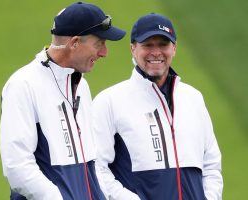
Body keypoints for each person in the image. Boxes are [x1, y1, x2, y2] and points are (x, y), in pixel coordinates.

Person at [0, 2, 125, 200]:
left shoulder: (81, 84)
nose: (104, 53)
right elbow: (17, 167)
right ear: (75, 43)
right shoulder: (23, 85)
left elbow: (90, 163)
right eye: (99, 43)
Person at [92, 13, 223, 200]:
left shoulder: (193, 98)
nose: (156, 52)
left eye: (163, 44)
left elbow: (211, 165)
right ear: (133, 48)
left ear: (174, 48)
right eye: (148, 45)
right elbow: (96, 169)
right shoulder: (109, 101)